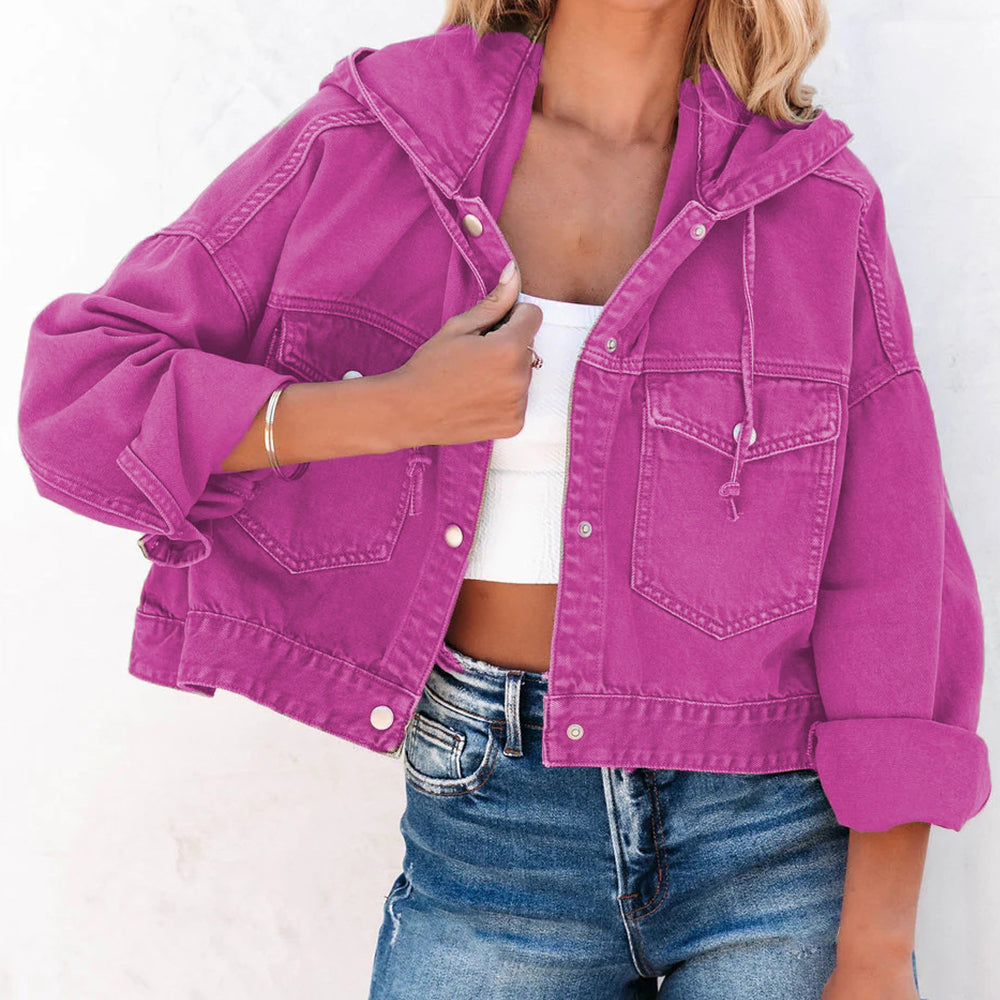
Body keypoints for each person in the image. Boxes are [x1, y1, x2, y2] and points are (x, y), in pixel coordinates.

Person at [17, 1, 990, 997]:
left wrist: (877, 948)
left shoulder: (816, 200)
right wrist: (391, 410)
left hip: (772, 839)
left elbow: (895, 576)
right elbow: (78, 396)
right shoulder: (377, 136)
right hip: (491, 824)